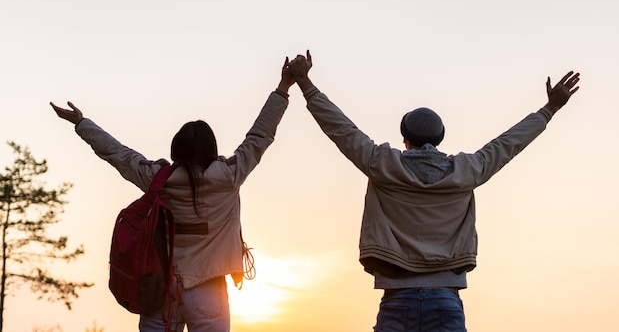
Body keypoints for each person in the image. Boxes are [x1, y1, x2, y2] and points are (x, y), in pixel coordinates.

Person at [287, 51, 580, 332]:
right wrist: (550, 108)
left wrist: (306, 85)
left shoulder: (381, 164)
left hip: (396, 299)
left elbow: (341, 130)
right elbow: (508, 144)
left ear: (405, 139)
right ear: (440, 139)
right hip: (445, 300)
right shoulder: (468, 171)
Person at [50, 58, 296, 332]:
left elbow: (118, 154)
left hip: (161, 292)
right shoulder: (230, 176)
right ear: (211, 149)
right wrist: (284, 87)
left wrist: (82, 123)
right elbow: (260, 136)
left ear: (175, 150)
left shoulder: (158, 179)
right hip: (209, 291)